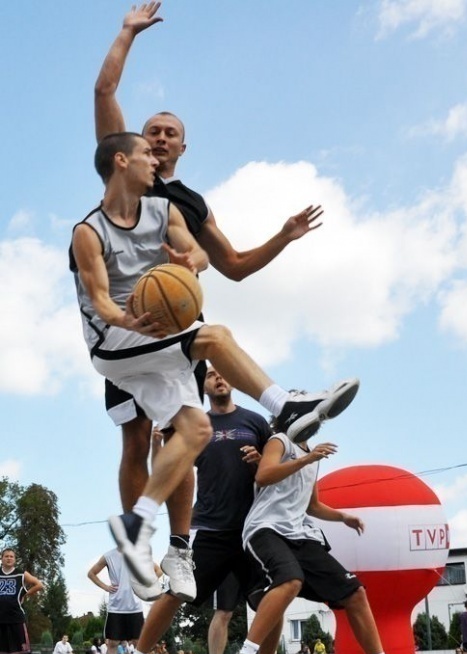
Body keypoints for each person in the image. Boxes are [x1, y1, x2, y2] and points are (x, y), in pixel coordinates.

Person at [94, 2, 329, 602]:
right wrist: (126, 34)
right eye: (153, 130)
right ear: (136, 144)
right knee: (135, 436)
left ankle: (177, 549)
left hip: (177, 327)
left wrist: (282, 236)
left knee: (184, 433)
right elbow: (105, 88)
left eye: (170, 132)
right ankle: (142, 547)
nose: (160, 136)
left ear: (183, 146)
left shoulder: (192, 205)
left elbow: (235, 267)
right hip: (128, 325)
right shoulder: (123, 176)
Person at [71, 132, 358, 596]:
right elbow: (100, 299)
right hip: (116, 339)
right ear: (121, 161)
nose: (154, 158)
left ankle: (137, 525)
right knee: (215, 337)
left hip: (162, 339)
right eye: (146, 151)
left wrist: (192, 259)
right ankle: (285, 406)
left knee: (197, 431)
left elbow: (202, 252)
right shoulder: (89, 231)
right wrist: (127, 319)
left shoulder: (166, 210)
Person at [102, 369, 293, 654]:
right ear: (201, 385)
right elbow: (170, 469)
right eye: (212, 376)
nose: (219, 379)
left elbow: (270, 471)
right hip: (210, 527)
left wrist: (258, 461)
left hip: (252, 526)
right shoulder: (196, 423)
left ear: (231, 382)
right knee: (175, 592)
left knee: (272, 599)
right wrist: (156, 446)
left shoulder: (255, 422)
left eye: (223, 374)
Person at [225, 429, 425, 654]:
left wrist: (343, 517)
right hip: (266, 529)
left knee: (355, 593)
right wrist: (305, 460)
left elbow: (313, 506)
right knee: (289, 580)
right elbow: (263, 475)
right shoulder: (279, 440)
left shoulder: (312, 457)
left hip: (300, 534)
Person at [87, 547, 148, 654]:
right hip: (116, 607)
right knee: (113, 643)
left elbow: (157, 570)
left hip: (135, 606)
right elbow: (91, 573)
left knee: (138, 643)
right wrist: (105, 587)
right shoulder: (108, 556)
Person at [0, 548, 43, 654]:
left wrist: (25, 594)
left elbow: (39, 584)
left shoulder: (21, 573)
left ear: (15, 559)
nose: (9, 558)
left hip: (16, 618)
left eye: (11, 556)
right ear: (2, 558)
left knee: (22, 652)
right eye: (6, 556)